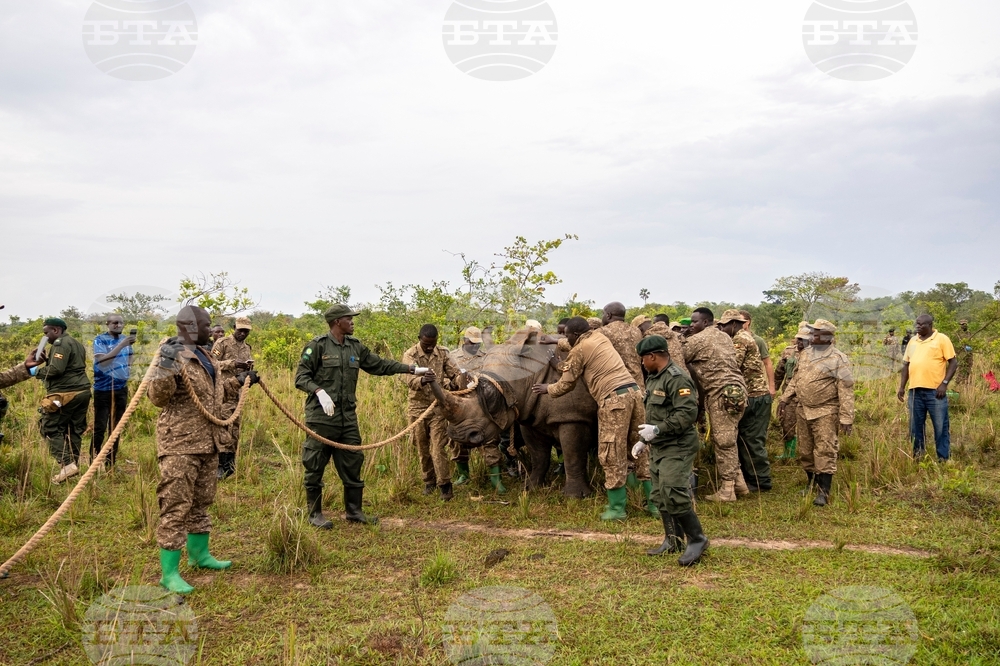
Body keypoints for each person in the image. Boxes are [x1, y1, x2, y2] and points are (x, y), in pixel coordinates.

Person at [148, 305, 256, 594]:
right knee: (175, 505)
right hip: (180, 445)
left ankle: (199, 556)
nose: (213, 330)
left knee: (202, 500)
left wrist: (241, 381)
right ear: (191, 327)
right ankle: (169, 573)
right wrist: (165, 366)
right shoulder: (170, 354)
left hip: (209, 442)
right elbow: (158, 398)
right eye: (208, 325)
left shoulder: (206, 355)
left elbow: (215, 394)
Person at [295, 304, 424, 529]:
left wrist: (410, 369)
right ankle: (314, 514)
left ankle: (354, 511)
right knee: (315, 464)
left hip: (347, 419)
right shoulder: (318, 346)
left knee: (353, 462)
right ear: (337, 322)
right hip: (321, 418)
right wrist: (318, 391)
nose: (353, 322)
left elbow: (379, 365)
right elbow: (301, 377)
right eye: (349, 318)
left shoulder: (355, 347)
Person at [532, 317, 643, 521]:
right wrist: (555, 342)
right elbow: (574, 348)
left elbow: (567, 383)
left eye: (566, 335)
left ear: (575, 335)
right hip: (634, 392)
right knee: (638, 447)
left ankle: (617, 508)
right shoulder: (599, 337)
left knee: (610, 451)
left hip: (613, 398)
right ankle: (650, 501)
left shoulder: (579, 350)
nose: (565, 338)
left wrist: (548, 388)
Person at [632, 335, 708, 566]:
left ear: (653, 356)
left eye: (643, 359)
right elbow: (657, 413)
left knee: (673, 492)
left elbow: (687, 415)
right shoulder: (655, 378)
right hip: (661, 444)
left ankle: (697, 539)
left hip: (678, 445)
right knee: (661, 495)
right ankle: (672, 539)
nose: (642, 364)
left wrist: (657, 429)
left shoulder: (677, 379)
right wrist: (645, 440)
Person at [781, 320, 855, 506]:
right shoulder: (805, 354)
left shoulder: (838, 359)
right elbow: (796, 379)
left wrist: (846, 417)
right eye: (813, 333)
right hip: (803, 409)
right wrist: (785, 398)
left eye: (817, 334)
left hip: (826, 411)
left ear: (828, 337)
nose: (812, 337)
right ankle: (811, 483)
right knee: (805, 450)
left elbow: (846, 389)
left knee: (825, 450)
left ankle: (824, 491)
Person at [681, 308, 748, 502]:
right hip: (738, 390)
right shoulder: (724, 337)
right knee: (730, 436)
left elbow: (679, 355)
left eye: (695, 322)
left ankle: (727, 490)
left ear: (707, 322)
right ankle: (739, 483)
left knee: (723, 441)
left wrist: (679, 338)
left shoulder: (699, 340)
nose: (691, 325)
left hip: (721, 393)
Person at [600, 302, 656, 515]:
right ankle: (653, 503)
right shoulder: (635, 331)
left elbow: (581, 346)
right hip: (639, 392)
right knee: (641, 442)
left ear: (609, 315)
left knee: (613, 445)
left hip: (617, 391)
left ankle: (617, 507)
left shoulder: (603, 333)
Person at [403, 325, 465, 499]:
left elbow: (455, 373)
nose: (430, 347)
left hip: (438, 406)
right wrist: (422, 380)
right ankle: (429, 481)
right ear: (419, 338)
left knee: (438, 448)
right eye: (426, 344)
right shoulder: (410, 355)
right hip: (417, 408)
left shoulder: (443, 353)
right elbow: (408, 379)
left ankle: (445, 485)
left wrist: (461, 381)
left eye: (433, 343)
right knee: (422, 448)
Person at [719, 310, 772, 492]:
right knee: (746, 438)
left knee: (753, 440)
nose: (722, 329)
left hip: (755, 395)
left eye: (724, 325)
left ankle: (761, 481)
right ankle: (753, 478)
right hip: (753, 395)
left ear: (734, 324)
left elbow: (732, 365)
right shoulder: (745, 337)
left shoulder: (740, 339)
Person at [34, 318, 92, 484]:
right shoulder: (76, 343)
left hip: (65, 395)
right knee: (74, 428)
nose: (45, 336)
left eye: (47, 332)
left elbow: (57, 369)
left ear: (56, 330)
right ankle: (72, 466)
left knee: (49, 426)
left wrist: (35, 372)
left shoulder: (60, 344)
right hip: (83, 392)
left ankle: (66, 464)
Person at [897, 314, 957, 461]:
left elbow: (953, 362)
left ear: (929, 325)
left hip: (935, 392)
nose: (917, 327)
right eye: (916, 324)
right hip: (915, 391)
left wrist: (944, 384)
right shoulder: (912, 341)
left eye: (921, 324)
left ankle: (943, 458)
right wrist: (902, 387)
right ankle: (918, 457)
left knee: (940, 426)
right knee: (915, 426)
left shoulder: (942, 339)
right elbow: (906, 365)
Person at [211, 317, 254, 479]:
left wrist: (249, 371)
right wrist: (232, 364)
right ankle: (220, 464)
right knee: (223, 425)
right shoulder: (222, 343)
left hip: (238, 393)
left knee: (235, 427)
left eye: (246, 331)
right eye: (240, 330)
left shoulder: (246, 348)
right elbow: (212, 364)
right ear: (234, 327)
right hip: (223, 391)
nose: (242, 334)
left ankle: (230, 463)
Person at [91, 314, 136, 469]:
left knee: (115, 428)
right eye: (115, 322)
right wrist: (122, 345)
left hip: (120, 389)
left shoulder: (126, 341)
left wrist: (127, 368)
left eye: (121, 323)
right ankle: (94, 462)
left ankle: (110, 464)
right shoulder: (100, 340)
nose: (118, 325)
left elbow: (131, 356)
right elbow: (103, 361)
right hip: (103, 389)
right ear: (107, 324)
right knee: (100, 427)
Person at [774, 323, 811, 460]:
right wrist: (774, 389)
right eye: (798, 337)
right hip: (789, 396)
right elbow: (779, 372)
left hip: (808, 396)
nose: (800, 341)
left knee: (809, 428)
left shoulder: (817, 353)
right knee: (786, 423)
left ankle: (808, 454)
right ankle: (789, 454)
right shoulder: (789, 351)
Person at [739, 310, 776, 396]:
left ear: (748, 322)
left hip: (756, 387)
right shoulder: (733, 339)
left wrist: (771, 386)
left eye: (741, 321)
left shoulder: (758, 340)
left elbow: (767, 363)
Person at [955, 319, 974, 384]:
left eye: (964, 324)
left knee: (969, 366)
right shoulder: (958, 334)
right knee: (961, 367)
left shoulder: (969, 333)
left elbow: (971, 342)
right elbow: (956, 344)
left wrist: (970, 347)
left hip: (969, 353)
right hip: (962, 353)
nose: (963, 326)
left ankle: (966, 381)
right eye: (962, 324)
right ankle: (958, 381)